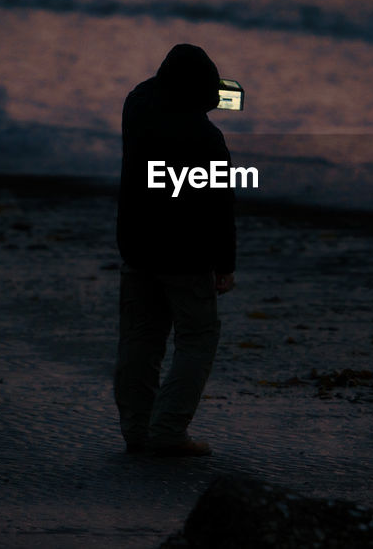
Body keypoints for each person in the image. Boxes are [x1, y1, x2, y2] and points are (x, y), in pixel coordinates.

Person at [114, 43, 236, 457]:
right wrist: (226, 264)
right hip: (187, 256)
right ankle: (167, 429)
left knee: (139, 339)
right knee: (197, 340)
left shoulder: (136, 107)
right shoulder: (207, 138)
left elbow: (158, 90)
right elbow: (220, 207)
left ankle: (136, 429)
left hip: (138, 245)